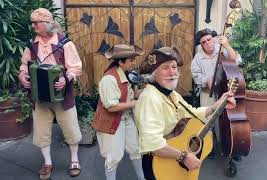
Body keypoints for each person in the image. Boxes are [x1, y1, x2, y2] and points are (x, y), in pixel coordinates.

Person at [134, 47, 236, 180]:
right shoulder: (150, 98)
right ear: (153, 74)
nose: (172, 72)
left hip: (174, 156)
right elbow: (154, 144)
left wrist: (216, 105)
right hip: (158, 163)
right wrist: (184, 156)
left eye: (174, 67)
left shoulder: (171, 94)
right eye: (165, 68)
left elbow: (190, 112)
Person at [18, 8, 82, 179]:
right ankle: (47, 163)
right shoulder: (32, 44)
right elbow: (24, 65)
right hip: (39, 96)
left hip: (62, 96)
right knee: (41, 130)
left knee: (70, 128)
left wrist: (66, 79)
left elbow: (76, 67)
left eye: (36, 23)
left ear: (46, 24)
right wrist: (23, 74)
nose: (33, 26)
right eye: (32, 23)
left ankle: (74, 159)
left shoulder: (65, 43)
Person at [92, 44, 145, 180]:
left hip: (126, 118)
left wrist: (147, 90)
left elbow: (131, 93)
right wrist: (135, 104)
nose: (134, 63)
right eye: (131, 60)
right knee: (113, 157)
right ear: (121, 62)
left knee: (135, 149)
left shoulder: (126, 74)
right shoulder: (109, 79)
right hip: (112, 122)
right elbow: (111, 107)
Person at [191, 28, 241, 159]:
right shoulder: (198, 57)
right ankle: (209, 147)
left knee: (229, 121)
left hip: (226, 90)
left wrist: (228, 45)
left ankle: (232, 147)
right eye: (203, 42)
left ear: (213, 38)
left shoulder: (222, 49)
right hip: (208, 93)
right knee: (207, 121)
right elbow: (195, 76)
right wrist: (205, 80)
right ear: (200, 45)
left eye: (209, 39)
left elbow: (237, 61)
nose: (207, 43)